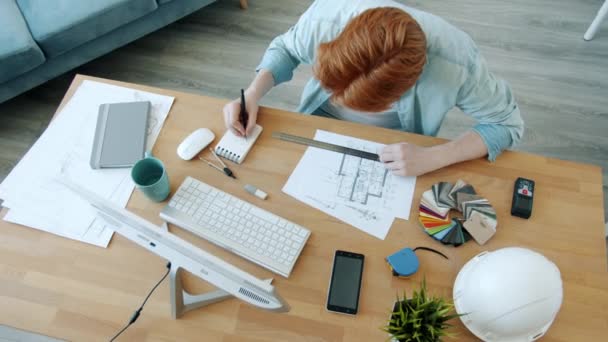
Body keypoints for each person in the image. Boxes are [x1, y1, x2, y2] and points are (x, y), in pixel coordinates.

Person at [223, 0, 524, 177]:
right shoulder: (325, 17)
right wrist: (252, 93)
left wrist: (436, 157)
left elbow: (506, 124)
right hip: (317, 129)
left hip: (395, 146)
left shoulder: (458, 63)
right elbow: (286, 49)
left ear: (407, 85)